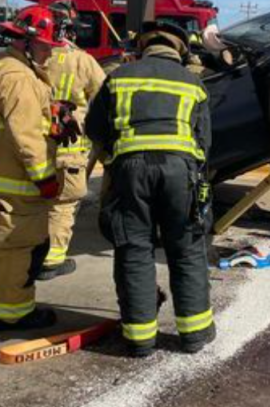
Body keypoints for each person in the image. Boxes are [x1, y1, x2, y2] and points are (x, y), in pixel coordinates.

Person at [86, 21, 214, 357]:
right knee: (186, 248)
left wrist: (115, 157)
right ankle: (195, 334)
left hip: (130, 172)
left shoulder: (118, 78)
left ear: (142, 47)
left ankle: (140, 338)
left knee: (134, 249)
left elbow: (94, 128)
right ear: (180, 51)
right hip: (180, 173)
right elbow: (205, 141)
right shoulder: (194, 84)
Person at [0, 5, 67, 330]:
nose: (50, 54)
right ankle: (13, 313)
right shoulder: (20, 79)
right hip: (15, 188)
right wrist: (45, 178)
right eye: (45, 47)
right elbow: (26, 136)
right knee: (19, 250)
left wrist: (49, 112)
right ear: (25, 43)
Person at [39, 1, 106, 281]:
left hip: (34, 143)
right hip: (69, 146)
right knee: (63, 204)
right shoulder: (82, 61)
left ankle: (32, 252)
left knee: (37, 201)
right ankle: (52, 260)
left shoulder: (33, 58)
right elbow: (105, 97)